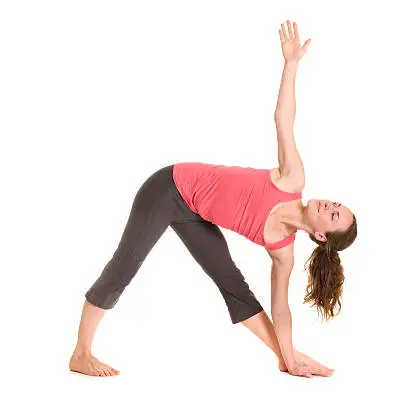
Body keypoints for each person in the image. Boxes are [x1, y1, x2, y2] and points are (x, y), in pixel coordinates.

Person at [69, 20, 358, 379]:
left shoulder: (283, 252)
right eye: (335, 205)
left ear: (321, 237)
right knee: (124, 267)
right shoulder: (292, 178)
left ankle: (287, 358)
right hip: (169, 187)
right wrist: (291, 65)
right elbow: (284, 119)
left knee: (233, 284)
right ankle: (81, 353)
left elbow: (280, 310)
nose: (328, 206)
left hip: (194, 212)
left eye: (333, 216)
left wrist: (288, 355)